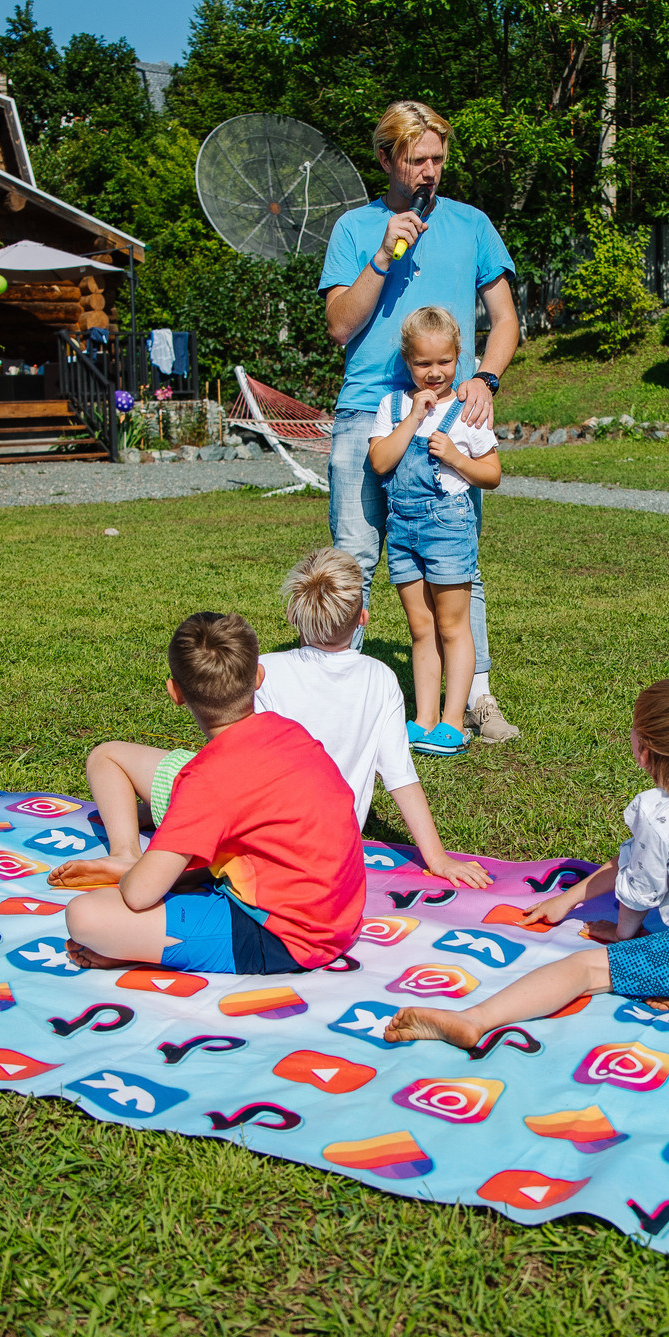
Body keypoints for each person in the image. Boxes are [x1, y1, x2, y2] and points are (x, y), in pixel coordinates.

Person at [385, 680, 669, 1049]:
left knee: (585, 969)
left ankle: (475, 1020)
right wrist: (569, 899)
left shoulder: (656, 810)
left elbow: (639, 888)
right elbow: (632, 857)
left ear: (644, 752)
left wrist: (625, 934)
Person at [320, 99, 522, 745]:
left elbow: (506, 321)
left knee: (460, 559)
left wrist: (484, 379)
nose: (431, 170)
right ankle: (336, 693)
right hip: (366, 414)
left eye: (438, 157)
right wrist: (383, 255)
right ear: (386, 160)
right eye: (416, 159)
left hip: (447, 415)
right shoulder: (355, 229)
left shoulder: (473, 225)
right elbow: (339, 325)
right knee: (353, 557)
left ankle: (477, 699)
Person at [57, 612, 367, 973]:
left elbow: (138, 895)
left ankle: (139, 942)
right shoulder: (291, 733)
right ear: (258, 677)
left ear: (175, 693)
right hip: (341, 912)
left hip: (286, 937)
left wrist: (128, 874)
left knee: (86, 917)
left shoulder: (206, 780)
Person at [258, 548, 493, 886]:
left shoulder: (264, 670)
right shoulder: (379, 678)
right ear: (362, 619)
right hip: (335, 849)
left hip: (266, 842)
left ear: (292, 614)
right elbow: (401, 777)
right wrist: (438, 858)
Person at [367, 308, 503, 756]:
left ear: (458, 357)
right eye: (423, 363)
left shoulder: (469, 410)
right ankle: (424, 719)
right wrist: (412, 419)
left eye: (444, 362)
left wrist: (456, 458)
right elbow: (381, 462)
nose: (434, 373)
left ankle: (452, 722)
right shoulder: (391, 407)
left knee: (452, 625)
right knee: (421, 627)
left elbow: (493, 473)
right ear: (408, 361)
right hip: (403, 528)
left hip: (448, 526)